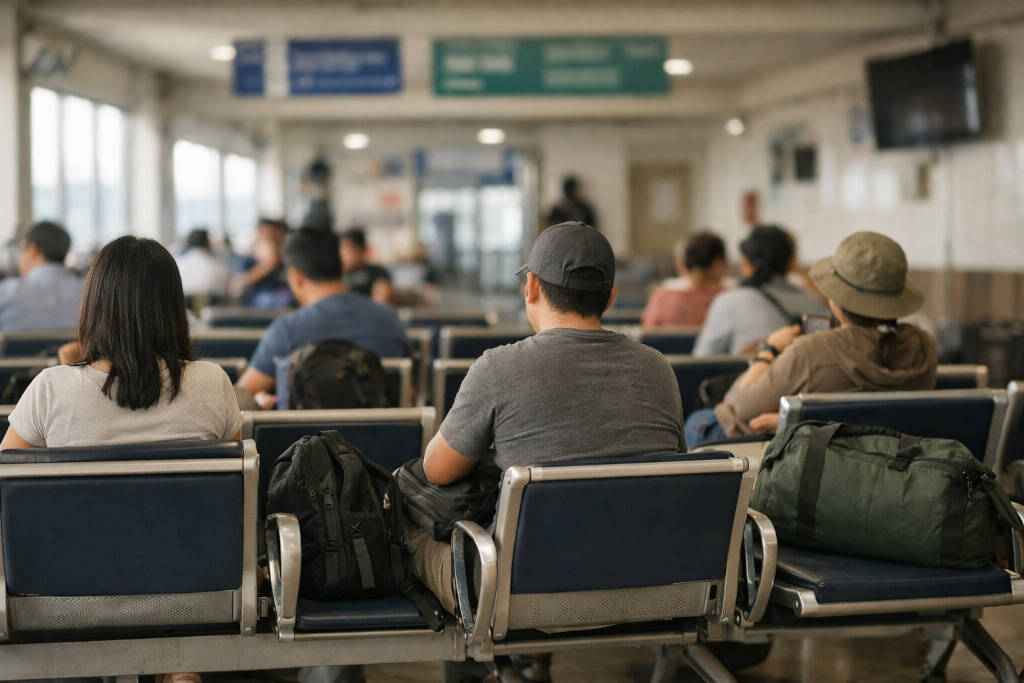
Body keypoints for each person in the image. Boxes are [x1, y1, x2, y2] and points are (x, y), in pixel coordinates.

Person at [405, 221, 684, 619]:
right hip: (646, 580)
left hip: (526, 592)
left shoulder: (498, 368)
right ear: (610, 297)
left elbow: (437, 471)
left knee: (414, 527)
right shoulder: (658, 369)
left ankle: (475, 665)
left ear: (531, 287)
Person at [685, 231, 938, 447]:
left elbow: (742, 409)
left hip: (793, 454)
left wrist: (768, 351)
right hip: (881, 454)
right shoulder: (923, 347)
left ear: (836, 302)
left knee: (698, 422)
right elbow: (881, 418)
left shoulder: (810, 351)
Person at [237, 228, 411, 409]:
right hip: (384, 436)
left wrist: (258, 404)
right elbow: (409, 392)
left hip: (300, 436)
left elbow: (239, 399)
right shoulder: (390, 320)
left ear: (296, 276)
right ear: (342, 266)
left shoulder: (287, 330)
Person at [693, 224, 827, 356]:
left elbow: (702, 358)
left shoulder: (728, 301)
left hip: (750, 376)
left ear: (746, 262)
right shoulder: (814, 301)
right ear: (790, 262)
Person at [0, 221, 83, 331]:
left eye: (21, 249)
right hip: (74, 348)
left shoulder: (8, 291)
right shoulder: (88, 290)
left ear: (33, 249)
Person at [642, 231, 727, 327]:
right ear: (718, 263)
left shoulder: (662, 297)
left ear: (681, 263)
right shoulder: (729, 299)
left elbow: (647, 332)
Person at [234, 218, 295, 308]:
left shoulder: (289, 261)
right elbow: (238, 285)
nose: (273, 245)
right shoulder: (247, 261)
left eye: (276, 240)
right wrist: (269, 264)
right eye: (268, 239)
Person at [339, 227, 394, 304]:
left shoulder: (377, 272)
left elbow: (381, 300)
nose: (343, 254)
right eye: (341, 250)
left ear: (362, 249)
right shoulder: (336, 276)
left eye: (348, 249)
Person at [176, 228, 231, 300]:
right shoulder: (220, 267)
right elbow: (226, 291)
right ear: (208, 244)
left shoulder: (178, 264)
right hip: (212, 308)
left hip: (184, 307)